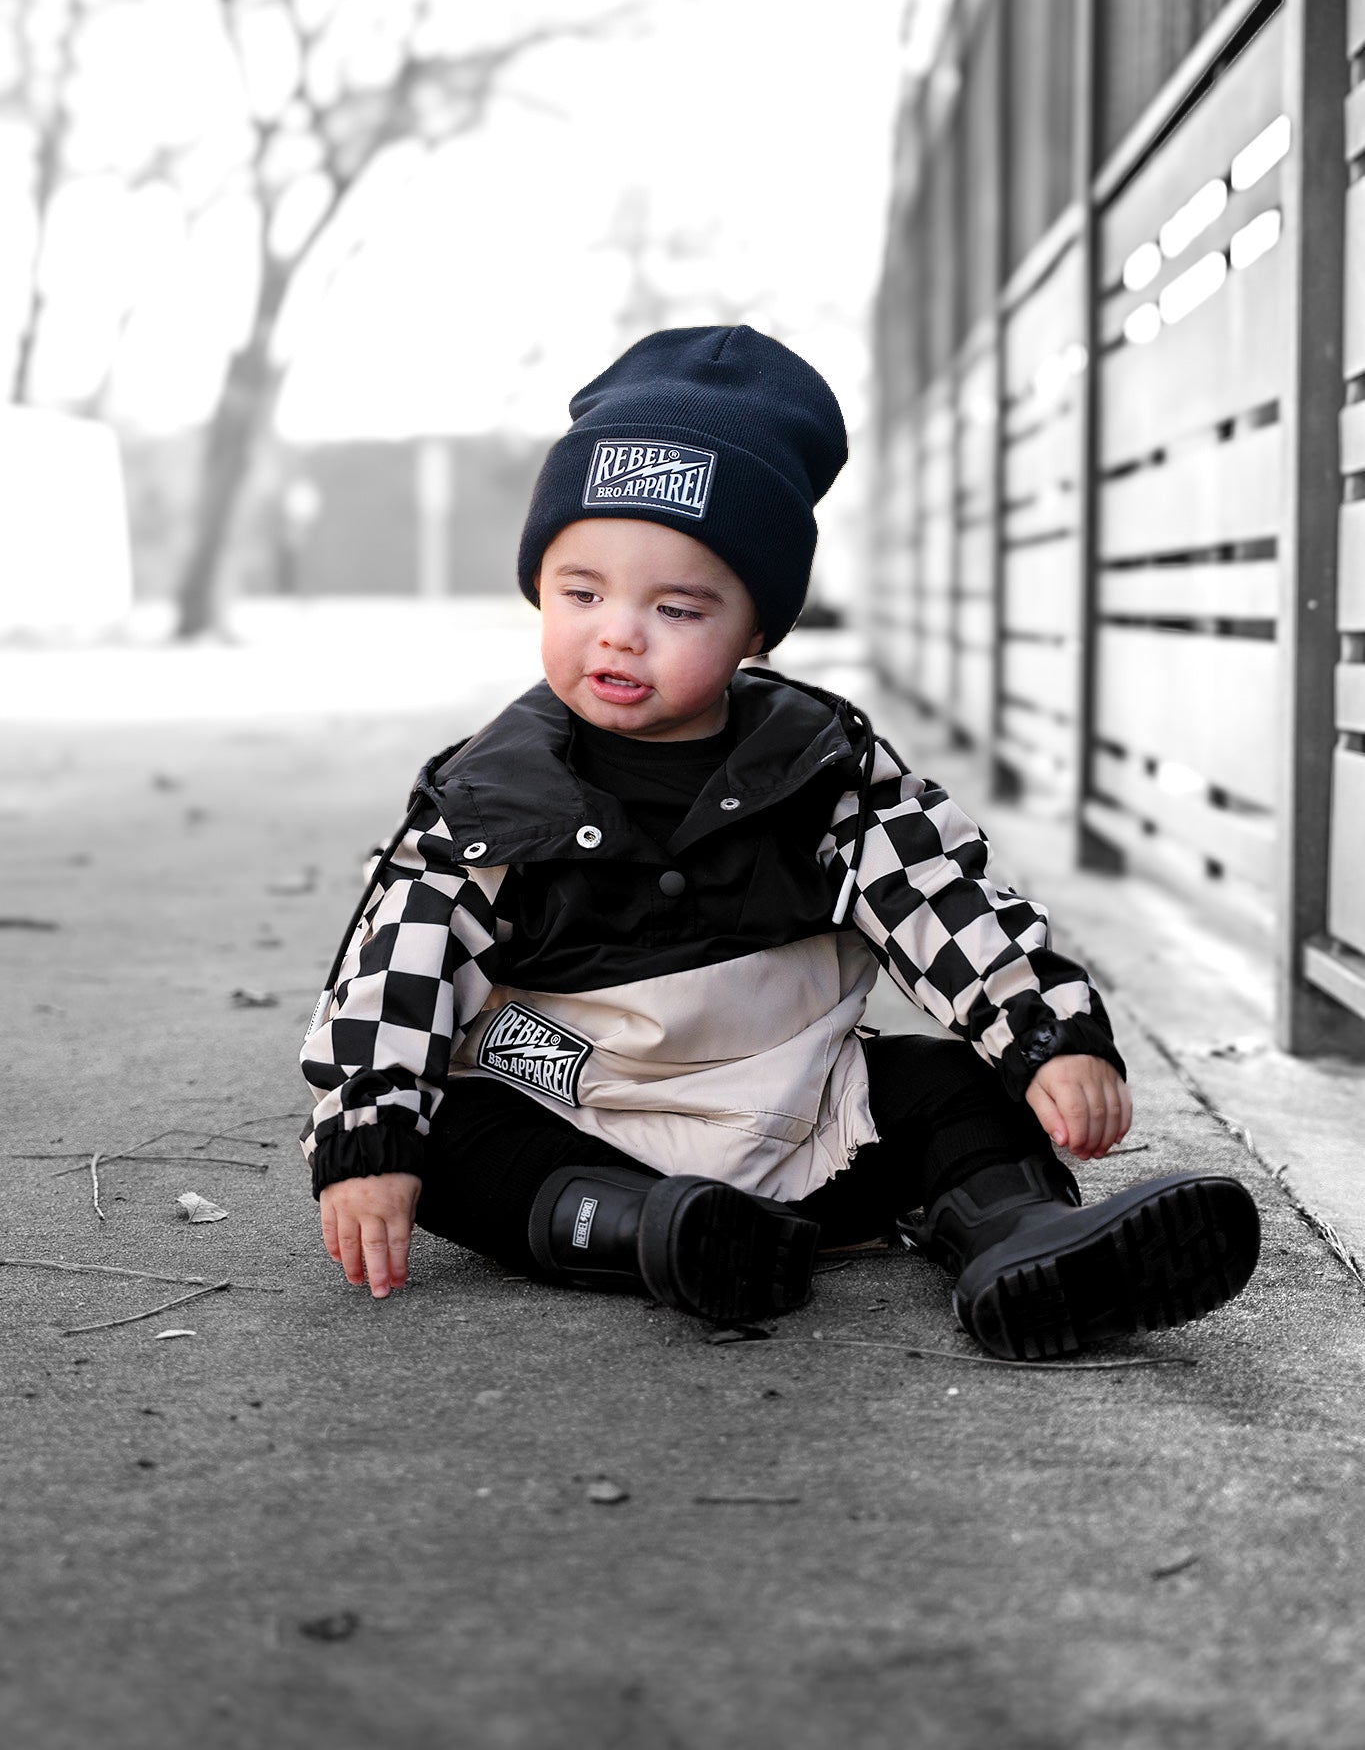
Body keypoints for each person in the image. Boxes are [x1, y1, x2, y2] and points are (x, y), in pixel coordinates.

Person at [299, 325, 1260, 1361]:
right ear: (540, 586)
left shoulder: (819, 769)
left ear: (757, 629)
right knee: (442, 1133)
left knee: (955, 1086)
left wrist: (1047, 1035)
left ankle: (1020, 1236)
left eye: (676, 608)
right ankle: (656, 1232)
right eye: (581, 593)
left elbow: (940, 897)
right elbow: (396, 968)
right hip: (582, 1111)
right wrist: (370, 1139)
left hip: (807, 1108)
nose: (618, 631)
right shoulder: (490, 793)